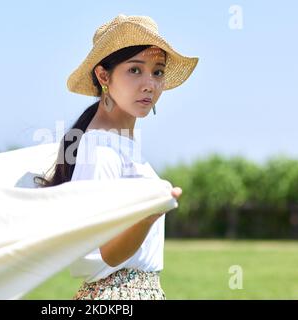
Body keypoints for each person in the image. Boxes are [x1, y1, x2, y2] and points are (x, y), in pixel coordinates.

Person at [34, 14, 198, 300]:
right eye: (135, 70)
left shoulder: (119, 145)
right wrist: (147, 217)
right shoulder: (101, 149)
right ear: (103, 76)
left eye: (157, 72)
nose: (149, 84)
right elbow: (107, 252)